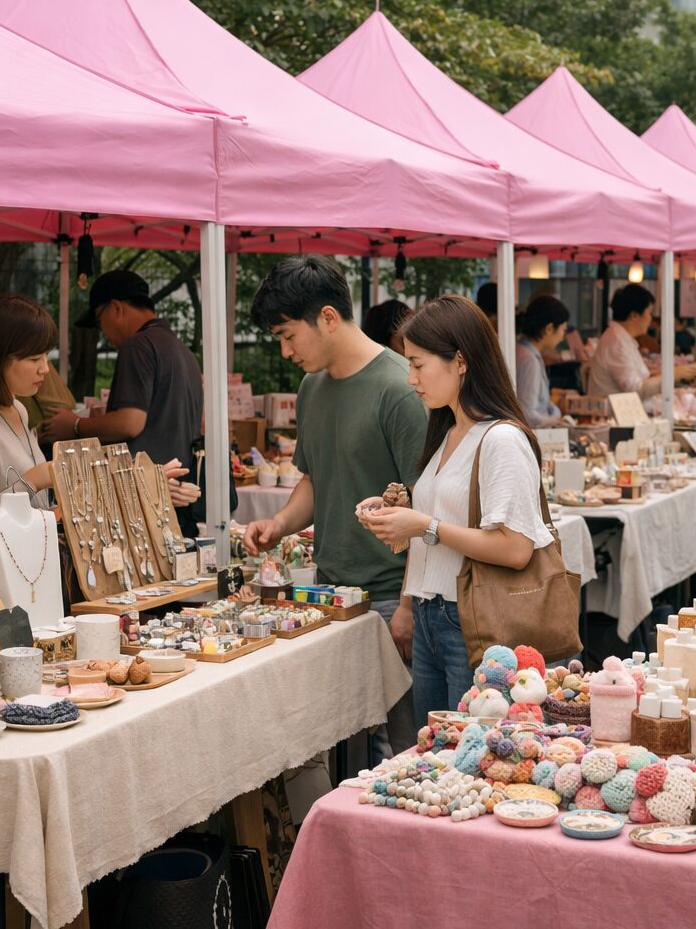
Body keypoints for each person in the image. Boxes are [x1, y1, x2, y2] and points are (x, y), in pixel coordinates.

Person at [243, 256, 426, 752]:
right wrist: (279, 522)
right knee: (342, 741)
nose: (284, 351)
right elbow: (315, 479)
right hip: (329, 595)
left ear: (327, 317)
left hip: (390, 597)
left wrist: (409, 604)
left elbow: (429, 512)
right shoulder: (311, 388)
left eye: (287, 335)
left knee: (402, 749)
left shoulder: (400, 389)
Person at [358, 295, 552, 725]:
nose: (410, 378)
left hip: (472, 622)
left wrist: (424, 524)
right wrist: (404, 512)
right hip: (434, 615)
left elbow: (515, 547)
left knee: (469, 756)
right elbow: (445, 523)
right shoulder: (447, 431)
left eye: (418, 363)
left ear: (460, 361)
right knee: (437, 754)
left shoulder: (500, 439)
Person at [42, 270, 202, 517]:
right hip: (176, 493)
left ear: (115, 308)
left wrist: (74, 425)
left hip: (143, 497)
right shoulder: (182, 351)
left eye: (99, 320)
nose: (102, 330)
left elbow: (130, 423)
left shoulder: (138, 346)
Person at [0, 295, 56, 574]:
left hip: (30, 575)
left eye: (46, 355)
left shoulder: (18, 408)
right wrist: (34, 479)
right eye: (34, 358)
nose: (45, 368)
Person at [588, 284, 696, 406]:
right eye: (649, 312)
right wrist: (671, 375)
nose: (651, 318)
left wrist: (662, 373)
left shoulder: (622, 338)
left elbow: (636, 380)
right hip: (616, 419)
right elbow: (634, 389)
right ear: (634, 315)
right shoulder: (617, 343)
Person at [516, 294, 569, 427]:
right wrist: (555, 420)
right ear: (549, 328)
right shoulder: (529, 360)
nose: (563, 337)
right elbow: (528, 415)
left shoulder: (521, 350)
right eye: (563, 329)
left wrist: (554, 411)